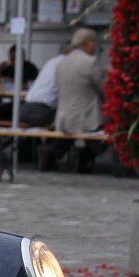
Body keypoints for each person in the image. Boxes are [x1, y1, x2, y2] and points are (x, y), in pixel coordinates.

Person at [52, 27, 108, 173]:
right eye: (94, 42)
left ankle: (51, 153)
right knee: (106, 129)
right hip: (85, 116)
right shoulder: (90, 62)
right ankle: (85, 158)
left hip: (63, 116)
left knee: (68, 137)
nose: (96, 46)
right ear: (87, 43)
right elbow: (102, 88)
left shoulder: (62, 62)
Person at [19, 45, 65, 127]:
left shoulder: (51, 61)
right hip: (42, 111)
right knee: (68, 118)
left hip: (25, 108)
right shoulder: (66, 63)